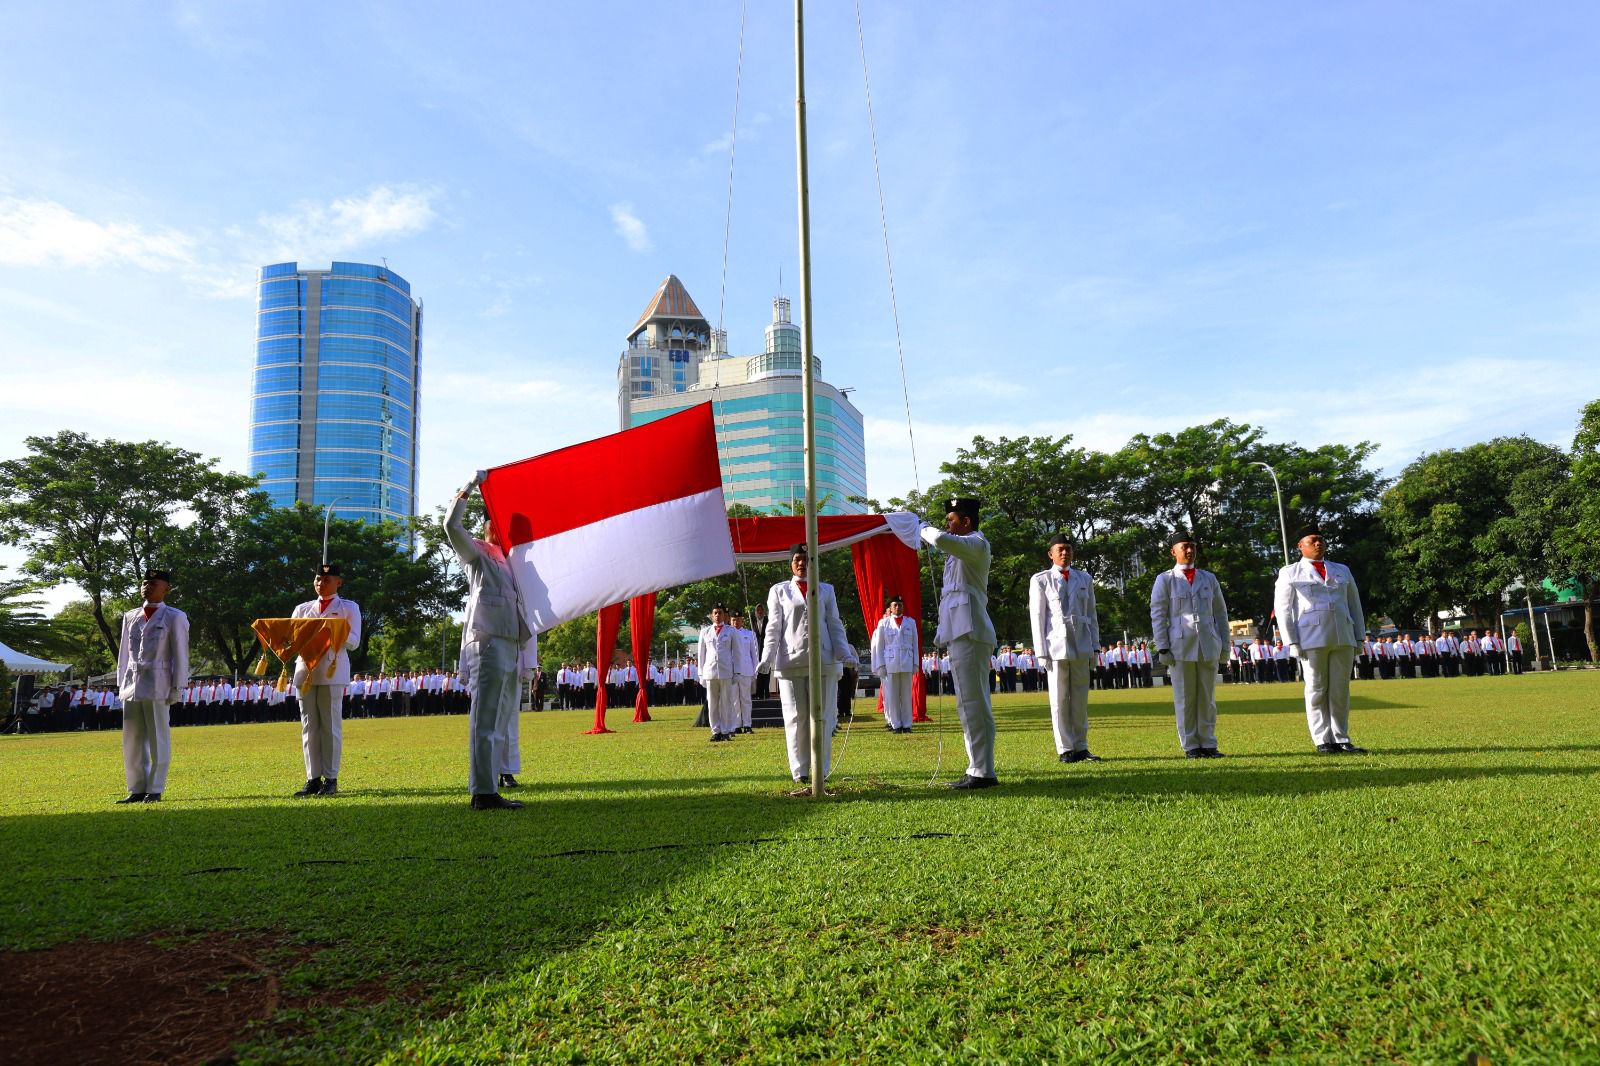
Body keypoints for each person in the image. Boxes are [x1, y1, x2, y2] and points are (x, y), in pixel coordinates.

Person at [447, 471, 538, 808]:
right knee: (484, 716)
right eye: (497, 523)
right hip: (487, 641)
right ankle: (483, 792)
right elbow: (451, 526)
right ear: (487, 526)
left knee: (501, 718)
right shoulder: (478, 553)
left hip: (511, 643)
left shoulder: (514, 564)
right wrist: (469, 487)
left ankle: (491, 785)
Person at [758, 544, 857, 793]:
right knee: (796, 717)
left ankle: (821, 768)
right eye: (797, 559)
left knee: (823, 717)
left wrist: (844, 653)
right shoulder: (779, 590)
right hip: (791, 662)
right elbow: (773, 627)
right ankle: (800, 771)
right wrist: (767, 658)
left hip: (823, 660)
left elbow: (834, 624)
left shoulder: (826, 589)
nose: (802, 563)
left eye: (806, 559)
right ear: (791, 564)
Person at [921, 497, 999, 790]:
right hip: (959, 633)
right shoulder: (960, 551)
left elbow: (940, 539)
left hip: (971, 633)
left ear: (966, 521)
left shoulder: (977, 544)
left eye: (951, 520)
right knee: (967, 703)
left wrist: (921, 528)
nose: (947, 526)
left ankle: (983, 770)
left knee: (974, 702)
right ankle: (977, 767)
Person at [1274, 525, 1369, 755]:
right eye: (1312, 540)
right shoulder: (1290, 572)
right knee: (1316, 689)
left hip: (1342, 634)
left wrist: (1359, 637)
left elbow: (1354, 605)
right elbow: (1283, 609)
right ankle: (1322, 739)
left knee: (1340, 690)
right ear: (1300, 546)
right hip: (1311, 637)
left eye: (1321, 540)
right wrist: (1291, 642)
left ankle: (1341, 737)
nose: (1318, 543)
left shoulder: (1341, 570)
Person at [1150, 532, 1230, 759]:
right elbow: (1158, 615)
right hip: (1180, 645)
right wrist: (1162, 647)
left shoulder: (1208, 578)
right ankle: (1191, 744)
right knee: (1185, 697)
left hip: (1208, 643)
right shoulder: (1165, 579)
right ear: (1173, 551)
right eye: (1184, 546)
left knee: (1207, 697)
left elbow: (1220, 614)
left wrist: (1225, 646)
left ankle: (1208, 742)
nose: (1189, 550)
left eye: (1192, 546)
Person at [114, 568, 190, 803]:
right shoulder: (130, 616)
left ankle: (155, 788)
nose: (147, 587)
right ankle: (137, 788)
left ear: (166, 589)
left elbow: (180, 654)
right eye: (145, 583)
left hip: (159, 683)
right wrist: (120, 683)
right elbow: (123, 654)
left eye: (153, 584)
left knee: (158, 737)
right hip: (132, 683)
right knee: (132, 739)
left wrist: (177, 686)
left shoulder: (175, 616)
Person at [290, 563, 362, 797]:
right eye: (318, 579)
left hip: (332, 669)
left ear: (339, 582)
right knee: (309, 726)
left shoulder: (348, 608)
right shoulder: (302, 609)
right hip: (305, 670)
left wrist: (329, 631)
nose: (321, 583)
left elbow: (354, 641)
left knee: (330, 726)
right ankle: (312, 778)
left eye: (327, 580)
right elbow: (292, 639)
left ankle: (331, 778)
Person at [1029, 534, 1101, 764]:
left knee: (1080, 699)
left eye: (1068, 549)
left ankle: (1081, 746)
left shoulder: (1084, 578)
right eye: (1060, 549)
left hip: (1081, 644)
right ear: (1050, 554)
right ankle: (1065, 748)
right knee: (1059, 700)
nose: (1064, 553)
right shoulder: (1041, 580)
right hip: (1056, 647)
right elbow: (1038, 618)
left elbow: (1091, 615)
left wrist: (1096, 647)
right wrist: (1041, 651)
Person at [871, 595, 920, 733]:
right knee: (892, 696)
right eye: (895, 605)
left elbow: (915, 644)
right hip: (890, 663)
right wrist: (881, 665)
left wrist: (916, 663)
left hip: (906, 661)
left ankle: (907, 724)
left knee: (906, 695)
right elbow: (879, 646)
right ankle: (896, 724)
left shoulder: (910, 622)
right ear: (890, 608)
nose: (898, 607)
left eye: (900, 605)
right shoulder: (883, 623)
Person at [698, 604, 740, 742]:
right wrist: (700, 674)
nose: (717, 615)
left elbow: (737, 653)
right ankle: (715, 730)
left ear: (724, 615)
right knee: (712, 703)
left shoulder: (731, 631)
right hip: (710, 671)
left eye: (720, 613)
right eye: (715, 613)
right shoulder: (705, 632)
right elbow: (701, 655)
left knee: (726, 702)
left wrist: (737, 672)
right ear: (711, 615)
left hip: (726, 670)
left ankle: (726, 730)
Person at [731, 609, 759, 733]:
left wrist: (755, 670)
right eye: (733, 620)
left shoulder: (750, 634)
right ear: (730, 621)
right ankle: (737, 725)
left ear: (742, 620)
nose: (736, 622)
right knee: (734, 699)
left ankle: (747, 724)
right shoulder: (728, 633)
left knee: (746, 699)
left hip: (746, 670)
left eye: (738, 619)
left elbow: (754, 654)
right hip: (732, 671)